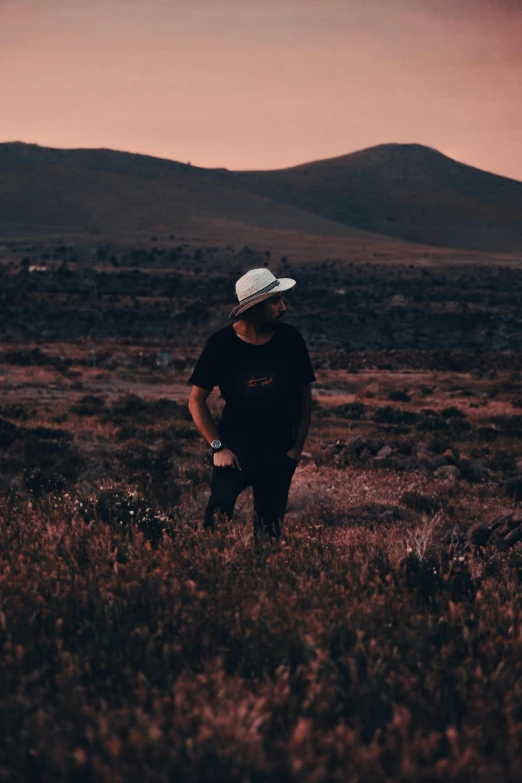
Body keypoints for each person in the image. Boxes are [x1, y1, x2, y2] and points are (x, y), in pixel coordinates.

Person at [187, 267, 316, 542]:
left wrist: (296, 449)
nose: (284, 307)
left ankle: (261, 581)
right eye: (275, 301)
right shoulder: (220, 345)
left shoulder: (291, 340)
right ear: (255, 307)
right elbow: (196, 401)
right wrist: (218, 447)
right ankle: (210, 575)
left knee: (269, 533)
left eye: (282, 299)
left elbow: (305, 396)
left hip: (279, 451)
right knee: (216, 521)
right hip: (234, 449)